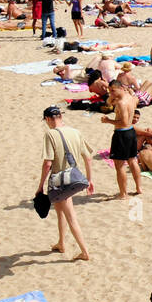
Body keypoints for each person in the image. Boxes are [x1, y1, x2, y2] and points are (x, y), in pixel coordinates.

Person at [37, 105, 94, 261]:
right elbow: (88, 157)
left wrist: (40, 186)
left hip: (60, 180)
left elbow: (47, 163)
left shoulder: (50, 134)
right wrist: (90, 179)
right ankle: (61, 243)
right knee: (60, 210)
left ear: (48, 119)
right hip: (74, 177)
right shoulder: (75, 132)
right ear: (60, 117)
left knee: (70, 216)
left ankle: (84, 252)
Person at [101, 82, 142, 199]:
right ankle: (139, 188)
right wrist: (113, 96)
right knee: (132, 160)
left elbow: (123, 122)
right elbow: (109, 102)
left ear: (121, 88)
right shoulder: (132, 98)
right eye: (110, 91)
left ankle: (123, 193)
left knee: (119, 165)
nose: (111, 93)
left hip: (122, 134)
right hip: (131, 132)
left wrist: (108, 121)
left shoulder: (120, 103)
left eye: (113, 91)